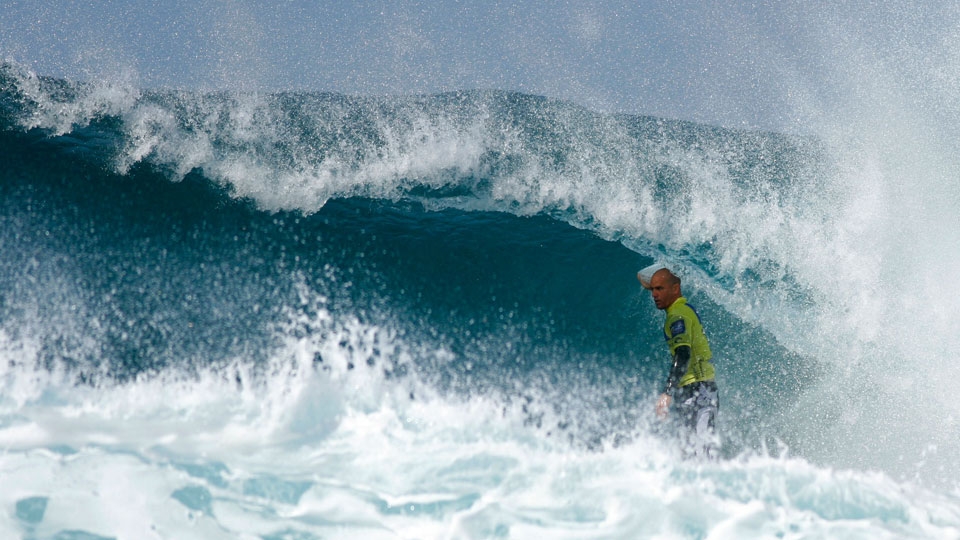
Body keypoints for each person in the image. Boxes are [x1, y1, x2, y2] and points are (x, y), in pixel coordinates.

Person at [638, 264, 719, 459]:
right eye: (652, 289)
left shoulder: (677, 316)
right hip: (698, 389)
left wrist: (667, 392)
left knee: (699, 453)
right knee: (694, 452)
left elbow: (683, 354)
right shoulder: (685, 308)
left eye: (660, 289)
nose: (654, 295)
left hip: (698, 390)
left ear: (675, 289)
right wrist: (657, 280)